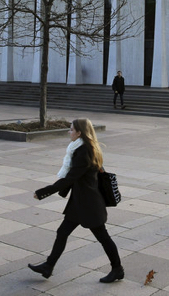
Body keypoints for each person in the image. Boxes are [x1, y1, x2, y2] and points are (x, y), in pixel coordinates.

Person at [28, 118, 124, 283]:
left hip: (88, 204)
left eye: (71, 129)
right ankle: (48, 266)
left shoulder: (83, 151)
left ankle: (117, 269)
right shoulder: (86, 147)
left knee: (103, 237)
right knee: (62, 232)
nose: (69, 132)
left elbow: (70, 179)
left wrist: (43, 192)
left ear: (79, 132)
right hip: (80, 202)